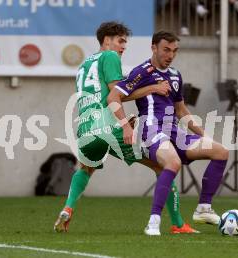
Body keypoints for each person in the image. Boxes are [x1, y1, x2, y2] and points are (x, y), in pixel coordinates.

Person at [53, 22, 198, 234]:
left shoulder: (84, 65)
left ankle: (68, 208)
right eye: (120, 41)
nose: (123, 47)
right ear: (106, 41)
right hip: (108, 126)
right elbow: (117, 94)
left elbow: (99, 97)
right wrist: (152, 89)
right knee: (164, 166)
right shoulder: (110, 57)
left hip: (85, 127)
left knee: (85, 168)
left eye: (125, 43)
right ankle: (178, 224)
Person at [108, 31, 229, 235]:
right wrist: (125, 126)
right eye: (166, 50)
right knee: (172, 163)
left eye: (174, 51)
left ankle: (203, 209)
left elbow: (181, 110)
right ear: (153, 48)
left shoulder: (175, 75)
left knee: (221, 151)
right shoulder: (142, 71)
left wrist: (204, 135)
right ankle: (153, 221)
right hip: (151, 129)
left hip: (174, 130)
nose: (170, 55)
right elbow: (113, 97)